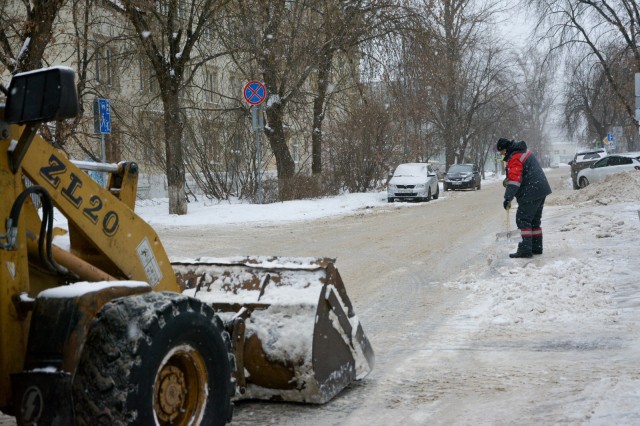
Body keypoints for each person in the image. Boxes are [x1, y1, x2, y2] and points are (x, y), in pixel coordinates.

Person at [497, 138, 552, 258]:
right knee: (534, 221)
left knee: (523, 220)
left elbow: (515, 182)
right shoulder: (522, 152)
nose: (501, 156)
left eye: (501, 153)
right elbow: (522, 174)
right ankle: (536, 248)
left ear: (506, 149)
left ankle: (525, 250)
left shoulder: (515, 157)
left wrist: (508, 198)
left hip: (531, 191)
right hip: (541, 189)